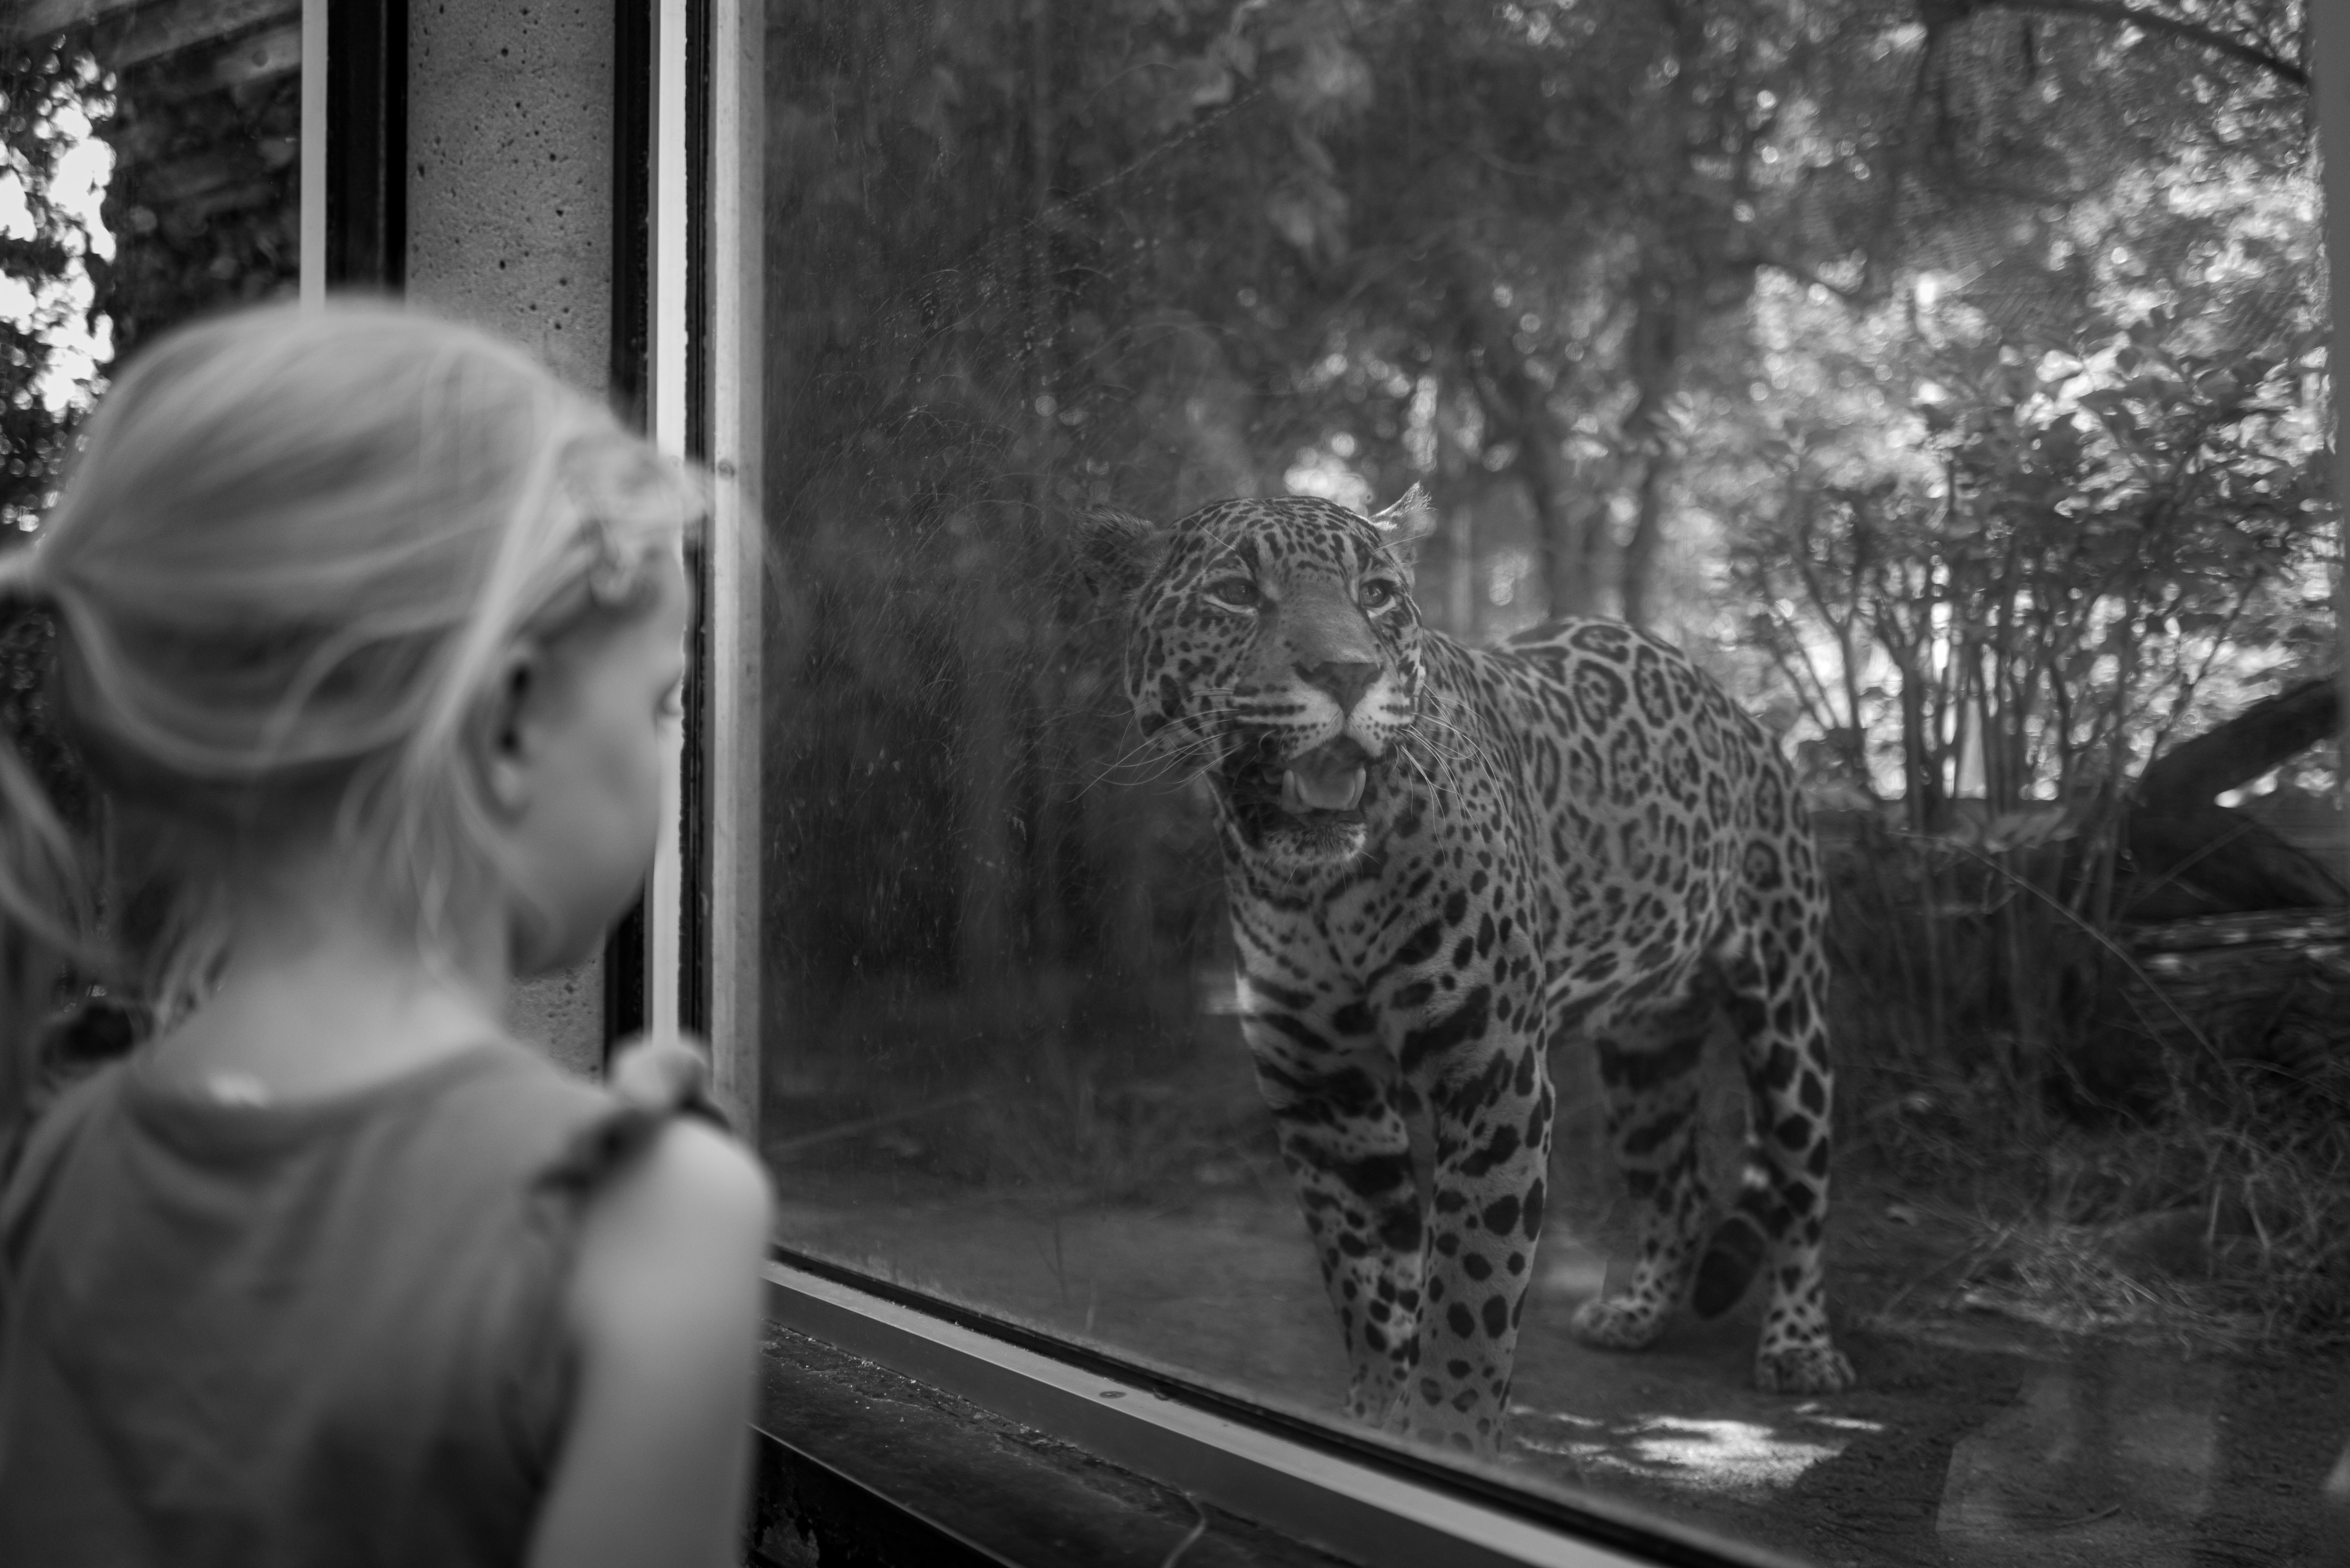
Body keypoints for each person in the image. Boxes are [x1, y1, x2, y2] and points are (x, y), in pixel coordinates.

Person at [0, 301, 773, 1567]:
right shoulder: (652, 1222)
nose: (668, 750)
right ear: (509, 721)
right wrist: (628, 1174)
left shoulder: (58, 1165)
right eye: (661, 702)